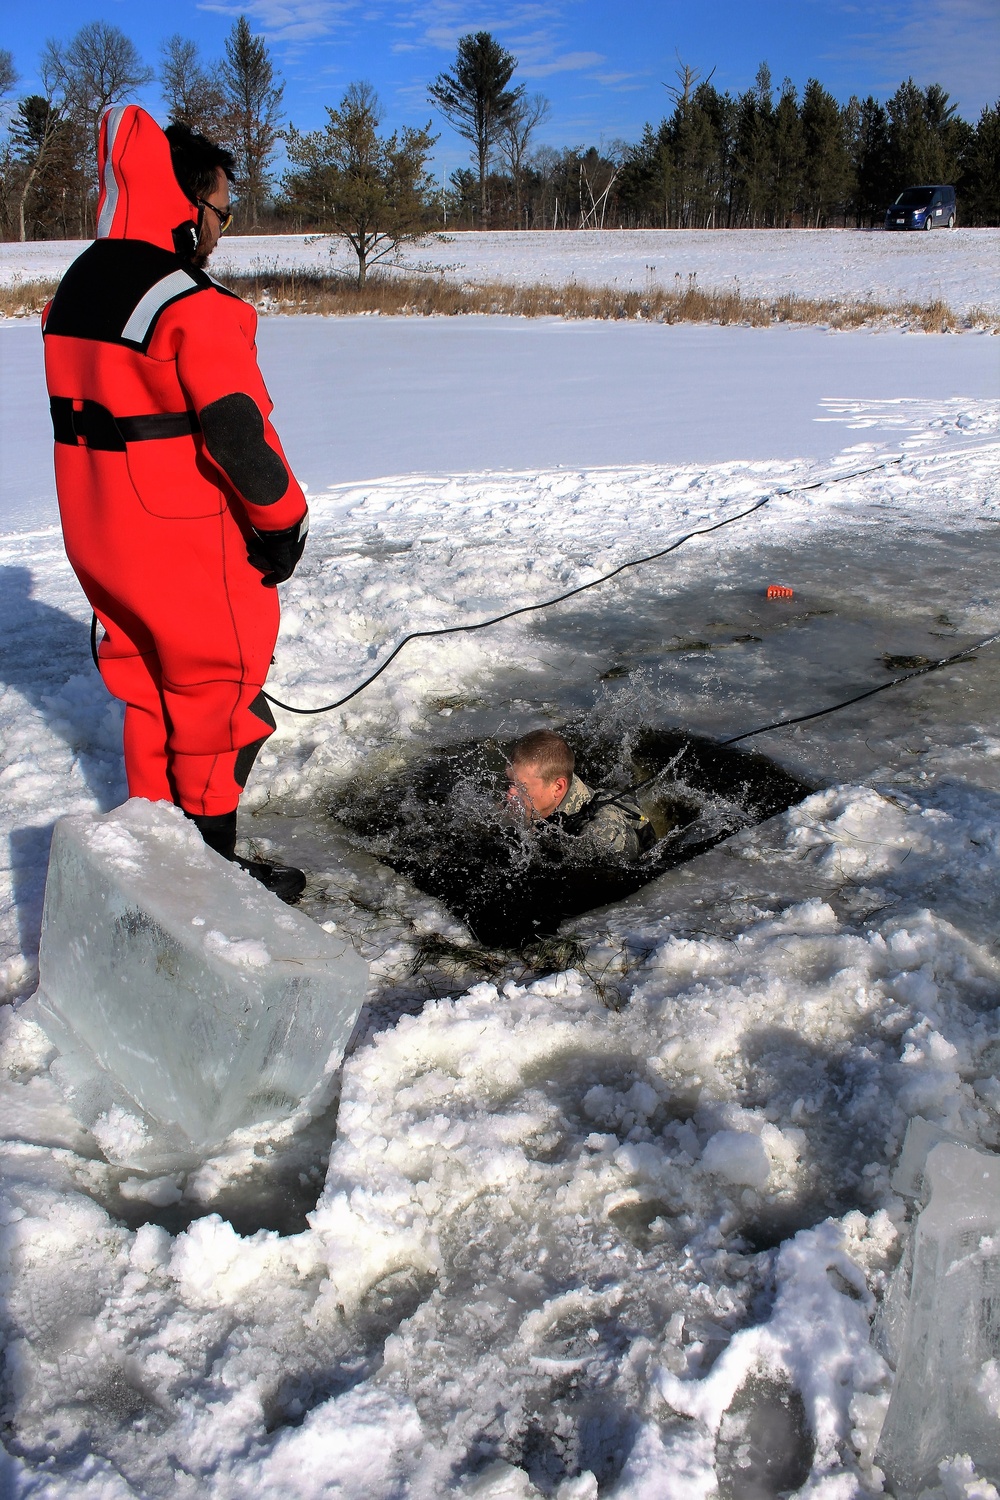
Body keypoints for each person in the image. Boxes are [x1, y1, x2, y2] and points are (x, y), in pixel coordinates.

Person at [42, 107, 309, 902]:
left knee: (145, 685)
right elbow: (236, 433)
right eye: (223, 208)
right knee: (217, 701)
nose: (223, 228)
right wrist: (282, 522)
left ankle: (157, 857)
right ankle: (211, 883)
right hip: (184, 546)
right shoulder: (191, 304)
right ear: (186, 203)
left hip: (99, 539)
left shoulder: (77, 288)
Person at [505, 729, 651, 861]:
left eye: (522, 787)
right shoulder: (542, 793)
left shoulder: (601, 836)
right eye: (509, 783)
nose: (509, 794)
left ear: (557, 787)